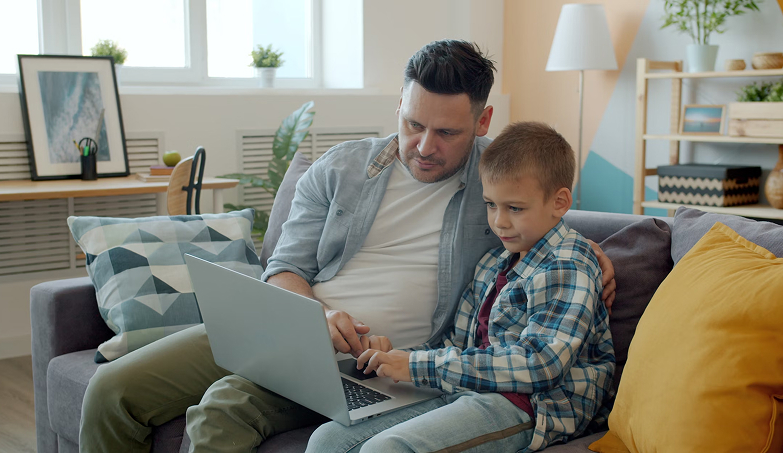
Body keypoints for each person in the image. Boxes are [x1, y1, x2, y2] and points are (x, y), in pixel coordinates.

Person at [78, 40, 616, 453]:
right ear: (399, 104)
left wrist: (594, 254)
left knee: (223, 409)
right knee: (111, 391)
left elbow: (546, 222)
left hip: (387, 365)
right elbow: (284, 266)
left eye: (448, 133)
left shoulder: (497, 177)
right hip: (292, 328)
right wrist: (319, 314)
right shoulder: (340, 169)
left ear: (482, 122)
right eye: (413, 123)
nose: (424, 147)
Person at [304, 121, 616, 452]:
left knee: (387, 449)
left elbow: (541, 364)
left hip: (533, 406)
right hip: (467, 389)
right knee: (328, 439)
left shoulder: (568, 265)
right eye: (491, 204)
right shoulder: (492, 262)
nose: (499, 222)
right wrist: (396, 358)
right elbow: (457, 343)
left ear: (560, 202)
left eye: (515, 208)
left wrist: (415, 367)